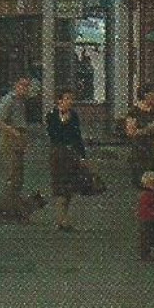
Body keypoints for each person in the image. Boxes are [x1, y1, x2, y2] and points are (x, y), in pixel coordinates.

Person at [44, 89, 89, 232]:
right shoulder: (51, 115)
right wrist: (63, 122)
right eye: (67, 98)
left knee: (69, 187)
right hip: (58, 153)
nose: (70, 101)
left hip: (72, 153)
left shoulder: (74, 115)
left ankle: (64, 219)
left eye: (72, 98)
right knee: (60, 186)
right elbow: (54, 135)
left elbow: (77, 136)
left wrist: (82, 156)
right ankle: (61, 220)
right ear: (59, 100)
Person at [0, 77, 34, 221]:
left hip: (19, 137)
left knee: (18, 177)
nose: (25, 89)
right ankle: (4, 209)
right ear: (16, 86)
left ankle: (13, 209)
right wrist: (13, 132)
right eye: (22, 86)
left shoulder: (21, 102)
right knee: (13, 176)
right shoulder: (9, 100)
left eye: (27, 86)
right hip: (10, 139)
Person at [124, 87, 154, 188]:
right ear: (146, 95)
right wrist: (147, 129)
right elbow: (131, 132)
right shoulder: (134, 111)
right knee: (143, 182)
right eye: (153, 94)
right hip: (141, 149)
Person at [137, 171, 154, 260]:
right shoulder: (149, 194)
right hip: (148, 218)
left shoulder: (149, 194)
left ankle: (145, 252)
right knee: (148, 235)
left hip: (148, 217)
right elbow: (151, 206)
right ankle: (145, 253)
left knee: (148, 235)